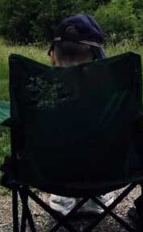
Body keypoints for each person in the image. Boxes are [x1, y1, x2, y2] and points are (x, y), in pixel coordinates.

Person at [45, 13, 115, 216]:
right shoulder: (112, 97)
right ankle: (97, 195)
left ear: (53, 57)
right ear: (96, 59)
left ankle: (63, 196)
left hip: (47, 173)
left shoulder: (39, 94)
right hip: (108, 172)